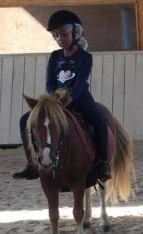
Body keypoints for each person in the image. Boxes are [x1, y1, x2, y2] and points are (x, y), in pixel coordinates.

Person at [12, 10, 110, 181]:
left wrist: (69, 98)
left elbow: (80, 83)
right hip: (56, 102)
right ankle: (32, 164)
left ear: (76, 33)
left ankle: (103, 162)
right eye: (55, 36)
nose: (59, 39)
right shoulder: (54, 57)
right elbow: (50, 83)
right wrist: (53, 99)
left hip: (79, 99)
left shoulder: (85, 57)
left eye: (63, 34)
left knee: (99, 122)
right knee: (24, 120)